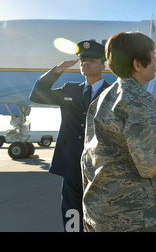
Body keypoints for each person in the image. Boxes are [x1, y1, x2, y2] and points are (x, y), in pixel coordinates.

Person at [81, 31, 156, 232]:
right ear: (138, 64)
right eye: (153, 55)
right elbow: (151, 163)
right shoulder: (139, 99)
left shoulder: (104, 97)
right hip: (130, 217)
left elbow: (88, 157)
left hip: (98, 211)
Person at [29, 40, 110, 232]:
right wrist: (57, 70)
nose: (85, 64)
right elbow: (37, 95)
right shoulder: (69, 89)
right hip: (71, 164)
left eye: (90, 60)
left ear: (103, 64)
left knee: (100, 213)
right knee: (72, 211)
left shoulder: (112, 92)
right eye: (82, 60)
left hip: (101, 165)